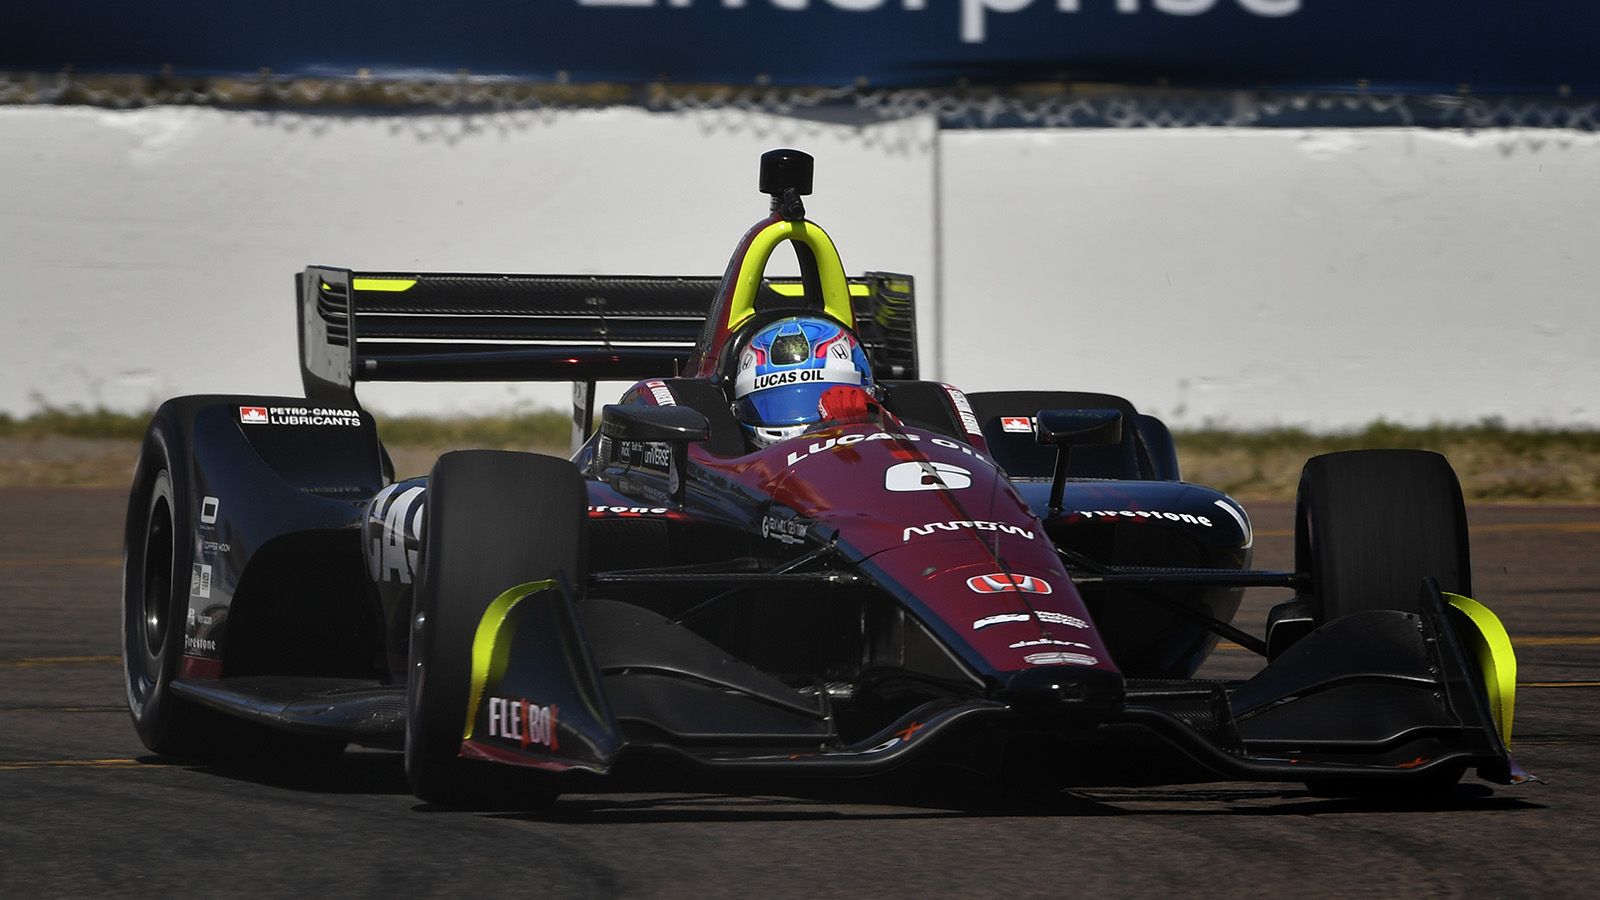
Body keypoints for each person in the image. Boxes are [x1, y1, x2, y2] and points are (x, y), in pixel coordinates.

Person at [731, 315, 892, 448]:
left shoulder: (891, 441)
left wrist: (876, 422)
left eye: (810, 401)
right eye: (778, 405)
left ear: (869, 393)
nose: (794, 417)